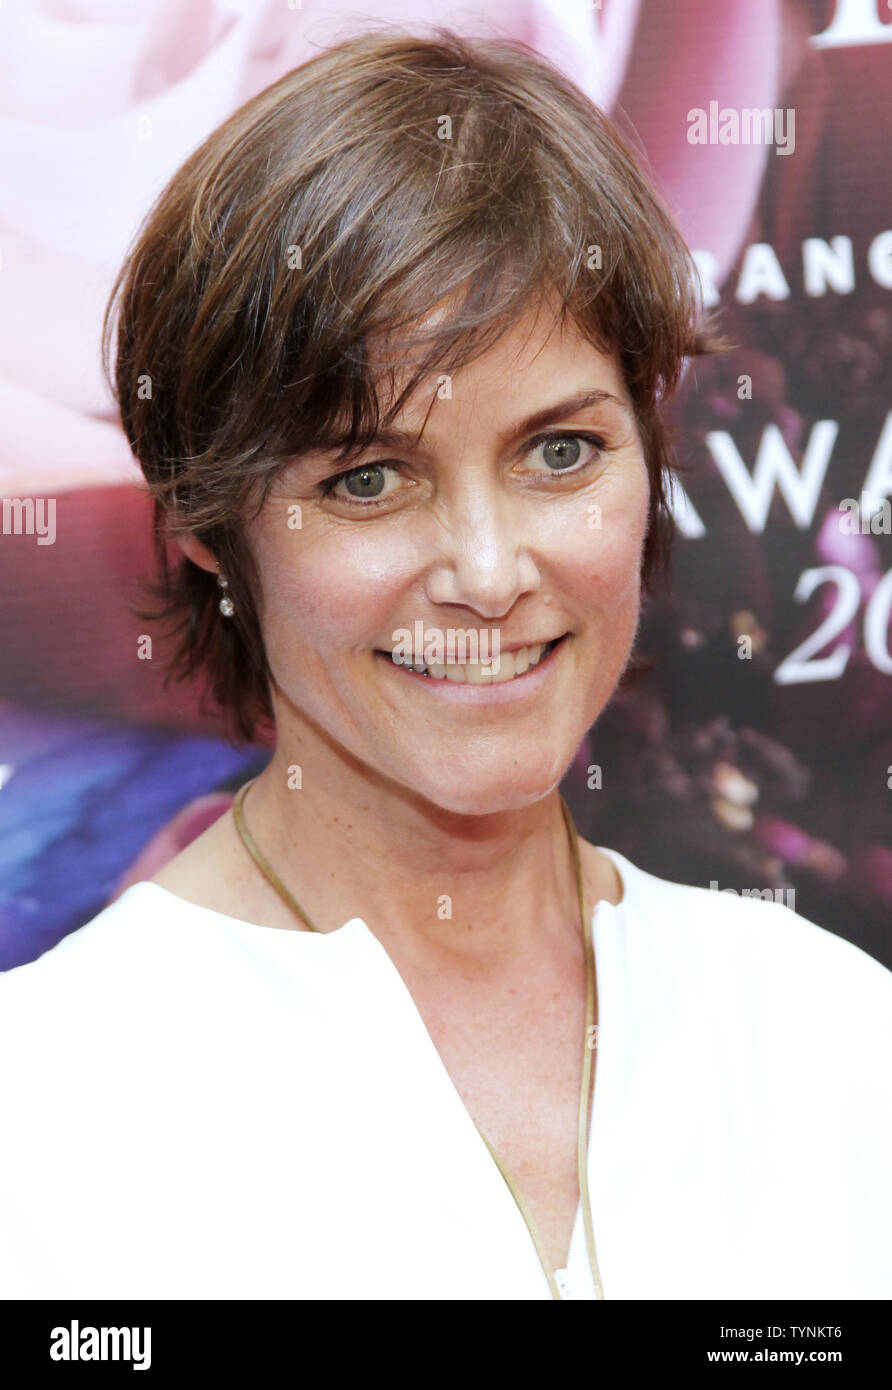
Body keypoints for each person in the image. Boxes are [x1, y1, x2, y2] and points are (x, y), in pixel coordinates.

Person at [1, 27, 889, 1302]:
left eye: (560, 453)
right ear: (208, 529)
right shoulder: (45, 1113)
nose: (486, 568)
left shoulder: (831, 1041)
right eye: (368, 478)